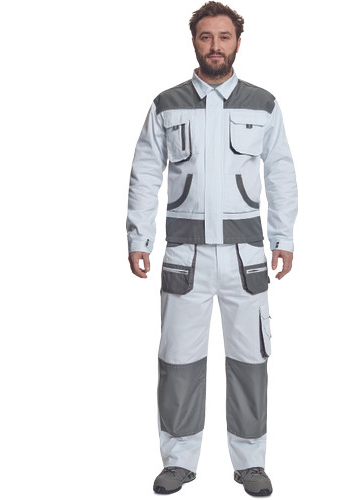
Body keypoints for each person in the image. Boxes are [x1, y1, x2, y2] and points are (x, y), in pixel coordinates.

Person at [126, 2, 297, 495]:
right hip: (186, 257)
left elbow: (281, 172)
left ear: (238, 42)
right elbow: (145, 173)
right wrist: (139, 237)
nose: (215, 46)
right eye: (206, 37)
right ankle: (178, 461)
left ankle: (251, 463)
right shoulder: (167, 104)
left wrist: (283, 237)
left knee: (250, 363)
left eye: (224, 36)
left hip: (246, 259)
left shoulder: (263, 104)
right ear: (194, 42)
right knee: (178, 362)